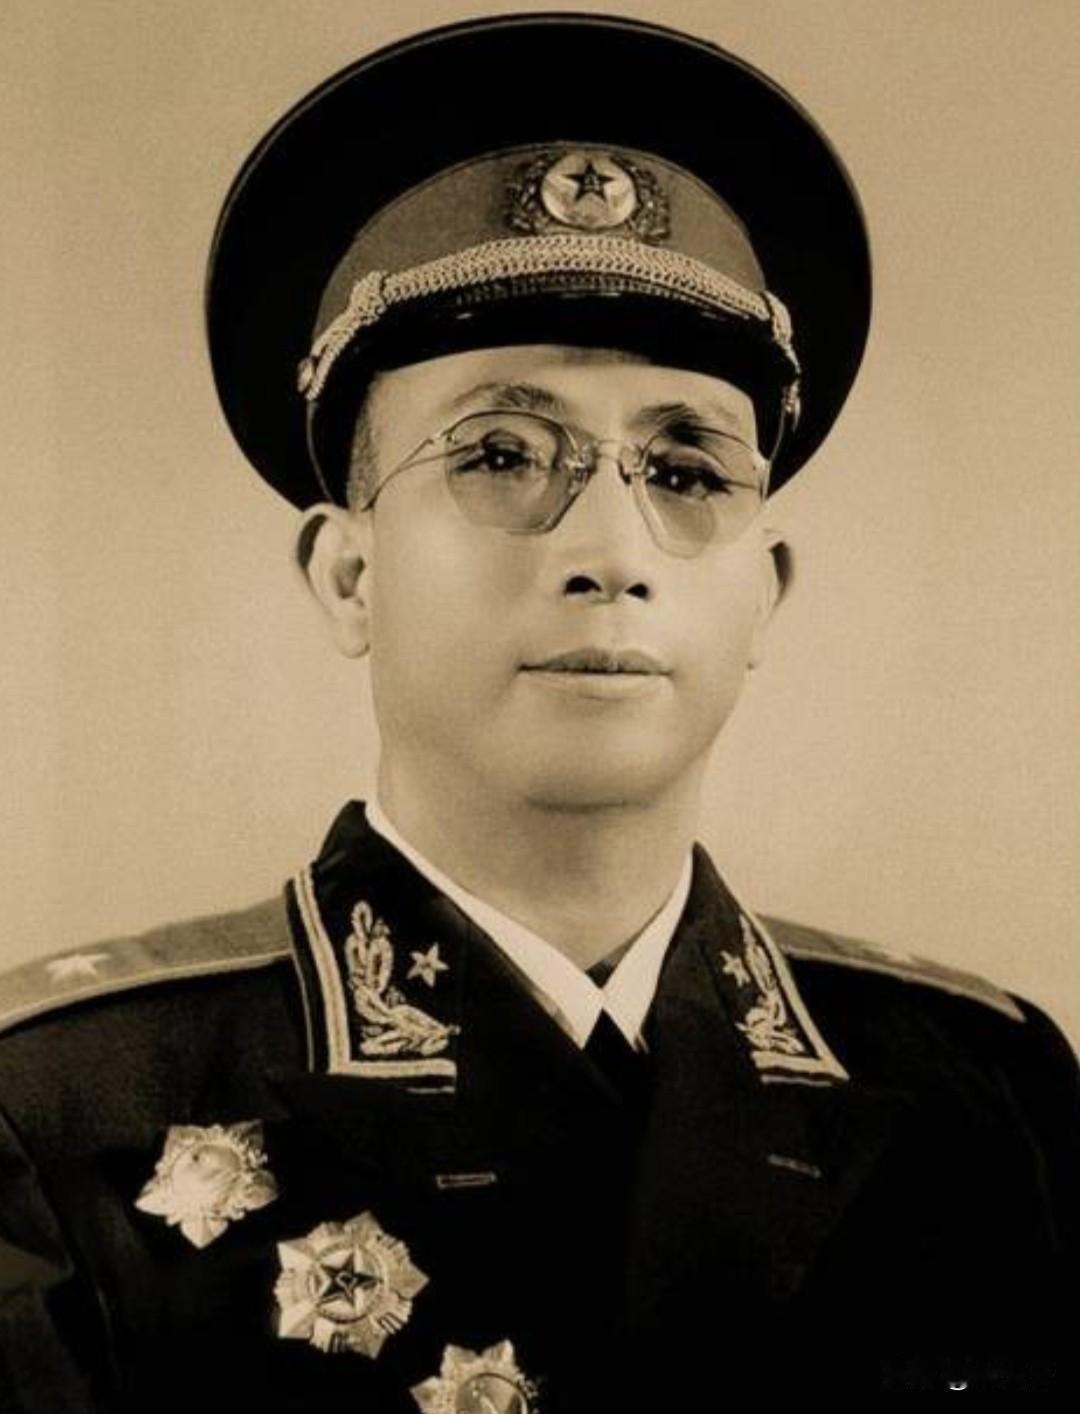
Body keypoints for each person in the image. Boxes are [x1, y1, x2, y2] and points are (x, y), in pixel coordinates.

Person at [0, 13, 1075, 1410]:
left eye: (686, 472)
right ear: (349, 574)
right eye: (502, 454)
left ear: (766, 594)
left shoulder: (987, 1097)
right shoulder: (66, 1109)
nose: (611, 551)